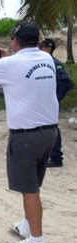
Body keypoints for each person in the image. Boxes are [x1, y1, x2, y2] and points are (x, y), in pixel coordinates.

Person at [0, 21, 58, 243]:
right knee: (33, 185)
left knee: (29, 189)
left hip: (26, 137)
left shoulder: (9, 64)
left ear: (16, 41)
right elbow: (22, 64)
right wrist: (8, 55)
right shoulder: (46, 58)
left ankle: (37, 241)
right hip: (49, 132)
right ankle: (29, 224)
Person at [39, 38, 74, 168]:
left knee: (51, 127)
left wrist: (55, 100)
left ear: (49, 48)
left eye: (41, 46)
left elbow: (67, 83)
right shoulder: (43, 62)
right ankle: (48, 155)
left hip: (50, 102)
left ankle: (56, 158)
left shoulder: (52, 62)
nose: (39, 49)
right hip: (44, 102)